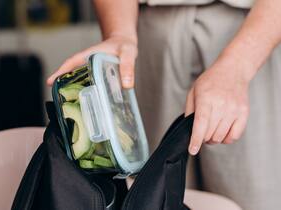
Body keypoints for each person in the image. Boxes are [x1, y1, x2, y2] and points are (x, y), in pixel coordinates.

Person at [47, 0, 281, 209]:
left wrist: (237, 67)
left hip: (251, 29)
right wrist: (119, 34)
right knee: (151, 196)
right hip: (148, 30)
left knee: (255, 196)